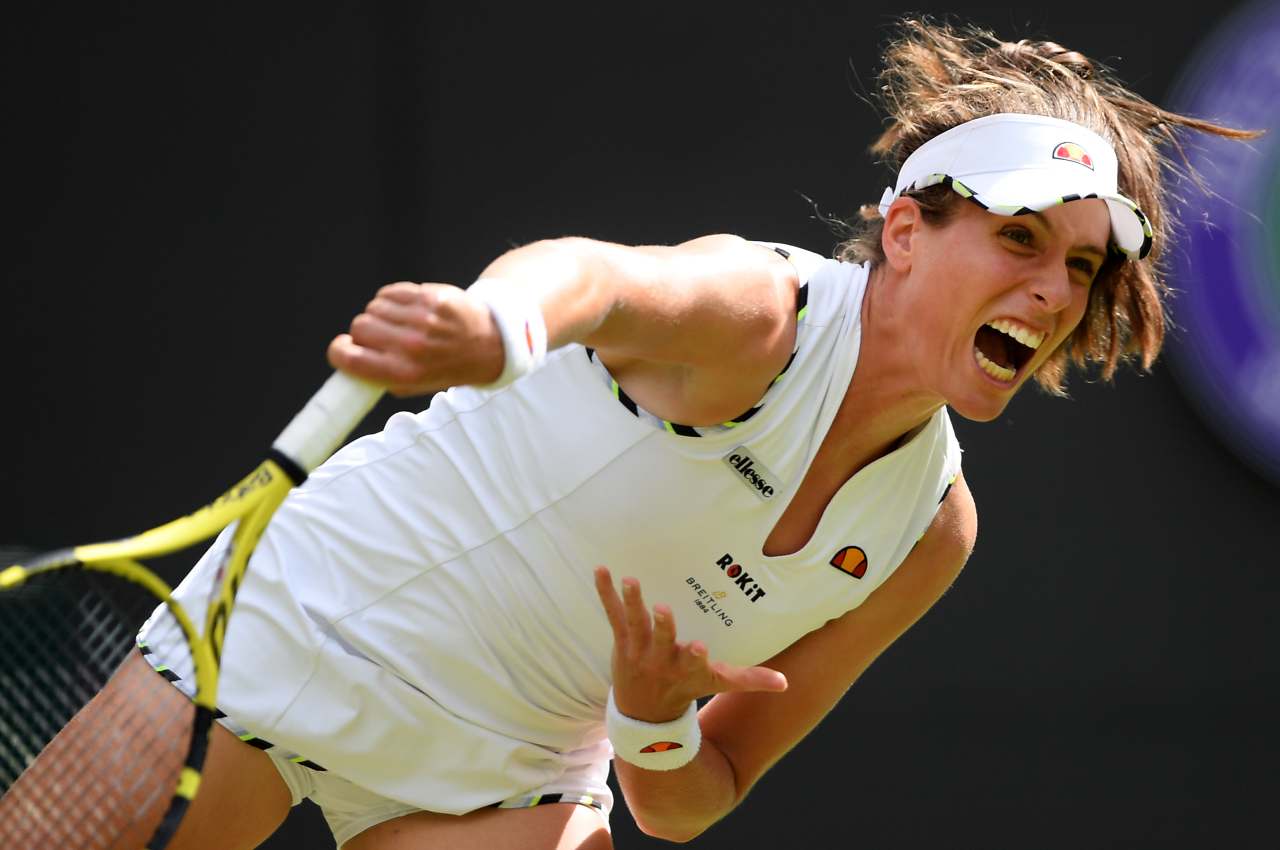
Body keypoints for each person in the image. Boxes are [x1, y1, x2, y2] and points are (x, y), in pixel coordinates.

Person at [6, 17, 1257, 850]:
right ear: (903, 233)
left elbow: (694, 795)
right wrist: (497, 327)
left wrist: (651, 718)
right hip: (327, 613)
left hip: (513, 767)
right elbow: (593, 278)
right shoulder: (759, 313)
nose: (1050, 290)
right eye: (1019, 237)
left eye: (1079, 267)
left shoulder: (927, 532)